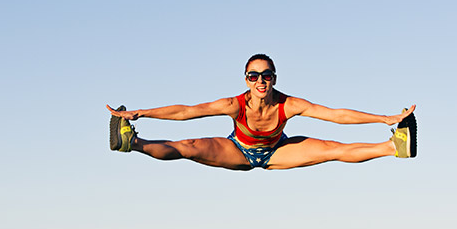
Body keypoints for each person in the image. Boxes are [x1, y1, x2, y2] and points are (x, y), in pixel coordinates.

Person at [107, 53, 417, 171]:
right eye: (253, 76)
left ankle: (394, 147)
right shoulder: (235, 104)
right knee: (188, 147)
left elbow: (336, 115)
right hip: (238, 151)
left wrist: (384, 119)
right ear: (246, 79)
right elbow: (188, 111)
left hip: (277, 151)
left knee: (332, 149)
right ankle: (131, 143)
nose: (260, 81)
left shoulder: (289, 104)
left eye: (266, 75)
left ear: (274, 78)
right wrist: (142, 113)